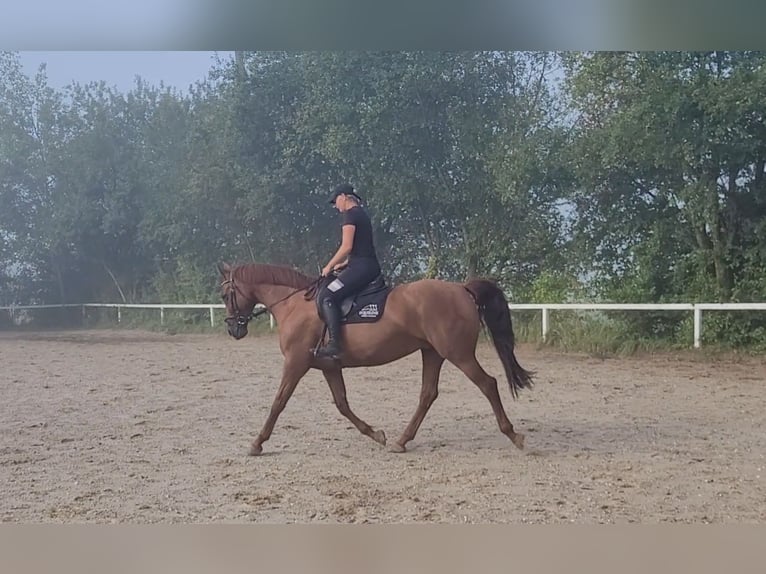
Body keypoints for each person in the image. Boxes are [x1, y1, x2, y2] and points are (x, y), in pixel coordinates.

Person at [314, 183, 382, 360]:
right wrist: (345, 263)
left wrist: (329, 266)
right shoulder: (362, 213)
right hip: (364, 264)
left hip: (361, 267)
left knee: (327, 295)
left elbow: (346, 246)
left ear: (343, 197)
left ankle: (335, 343)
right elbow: (361, 247)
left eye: (336, 201)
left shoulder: (350, 215)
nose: (336, 206)